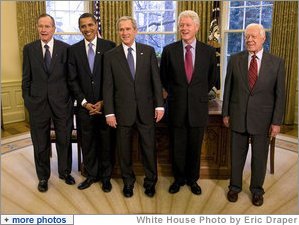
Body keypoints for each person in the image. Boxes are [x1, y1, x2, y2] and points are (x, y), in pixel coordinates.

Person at [222, 23, 285, 206]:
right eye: (247, 37)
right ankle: (234, 187)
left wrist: (276, 121)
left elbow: (280, 95)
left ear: (263, 38)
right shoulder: (235, 60)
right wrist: (226, 113)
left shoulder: (277, 63)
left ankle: (257, 190)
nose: (249, 40)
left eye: (253, 37)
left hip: (263, 120)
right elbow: (228, 89)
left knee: (259, 157)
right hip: (238, 115)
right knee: (236, 156)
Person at [103, 16, 164, 198]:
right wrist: (109, 113)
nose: (125, 33)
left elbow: (156, 81)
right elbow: (108, 86)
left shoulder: (149, 51)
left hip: (146, 110)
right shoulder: (110, 56)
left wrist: (159, 106)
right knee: (124, 151)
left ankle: (150, 182)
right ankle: (128, 182)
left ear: (135, 30)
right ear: (118, 32)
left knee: (148, 148)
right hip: (122, 112)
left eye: (128, 29)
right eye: (121, 29)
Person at [160, 10, 217, 195]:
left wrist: (196, 93)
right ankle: (178, 179)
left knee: (194, 147)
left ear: (197, 27)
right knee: (177, 147)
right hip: (176, 107)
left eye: (188, 25)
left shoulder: (209, 51)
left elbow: (211, 79)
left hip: (198, 108)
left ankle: (193, 180)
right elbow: (164, 78)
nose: (184, 28)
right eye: (181, 25)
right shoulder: (169, 50)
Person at [22, 13, 75, 192]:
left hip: (62, 104)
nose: (43, 29)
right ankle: (43, 177)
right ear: (37, 28)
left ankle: (65, 172)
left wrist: (69, 101)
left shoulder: (66, 49)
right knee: (40, 143)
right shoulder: (29, 49)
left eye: (47, 26)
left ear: (54, 29)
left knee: (64, 140)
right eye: (40, 26)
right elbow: (26, 79)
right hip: (38, 105)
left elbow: (71, 78)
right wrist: (29, 102)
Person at [68, 13, 116, 192]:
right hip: (84, 108)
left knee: (105, 143)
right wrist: (85, 102)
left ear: (96, 25)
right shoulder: (73, 50)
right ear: (79, 28)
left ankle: (106, 177)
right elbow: (72, 80)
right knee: (87, 143)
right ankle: (91, 175)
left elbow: (112, 78)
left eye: (90, 25)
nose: (87, 29)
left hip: (105, 107)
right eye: (83, 26)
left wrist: (103, 101)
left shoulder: (109, 46)